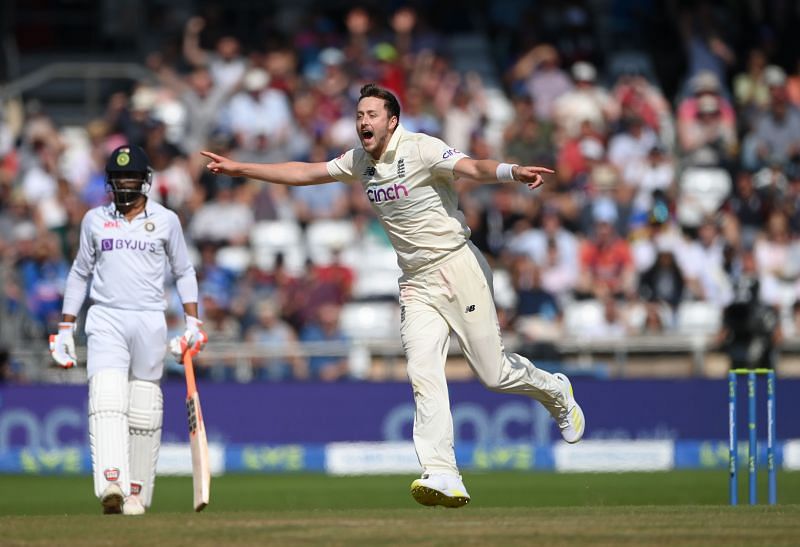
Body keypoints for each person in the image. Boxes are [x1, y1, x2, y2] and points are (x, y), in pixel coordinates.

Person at [201, 83, 585, 508]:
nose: (363, 121)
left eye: (372, 115)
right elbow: (304, 172)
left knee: (492, 374)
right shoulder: (359, 160)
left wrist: (511, 171)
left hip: (459, 266)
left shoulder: (421, 148)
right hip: (416, 281)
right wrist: (242, 170)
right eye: (359, 114)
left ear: (392, 121)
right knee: (423, 373)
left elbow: (472, 167)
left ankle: (555, 391)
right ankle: (442, 472)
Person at [48, 145, 207, 516]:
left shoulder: (166, 220)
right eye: (118, 177)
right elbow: (79, 273)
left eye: (131, 176)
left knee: (145, 407)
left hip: (150, 318)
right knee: (106, 398)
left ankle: (136, 493)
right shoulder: (94, 220)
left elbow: (184, 271)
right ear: (109, 181)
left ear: (145, 180)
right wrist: (66, 328)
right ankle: (112, 483)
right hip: (106, 317)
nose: (124, 183)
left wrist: (193, 323)